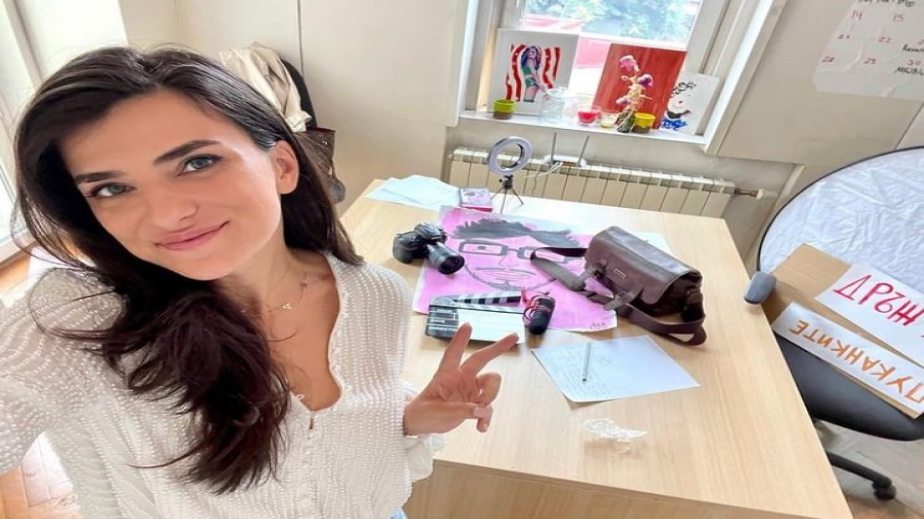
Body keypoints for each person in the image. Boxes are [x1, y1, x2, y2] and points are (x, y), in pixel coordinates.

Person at [0, 47, 517, 519]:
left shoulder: (375, 293)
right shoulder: (82, 318)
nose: (166, 214)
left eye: (196, 162)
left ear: (282, 166)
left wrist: (408, 418)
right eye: (112, 189)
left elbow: (336, 435)